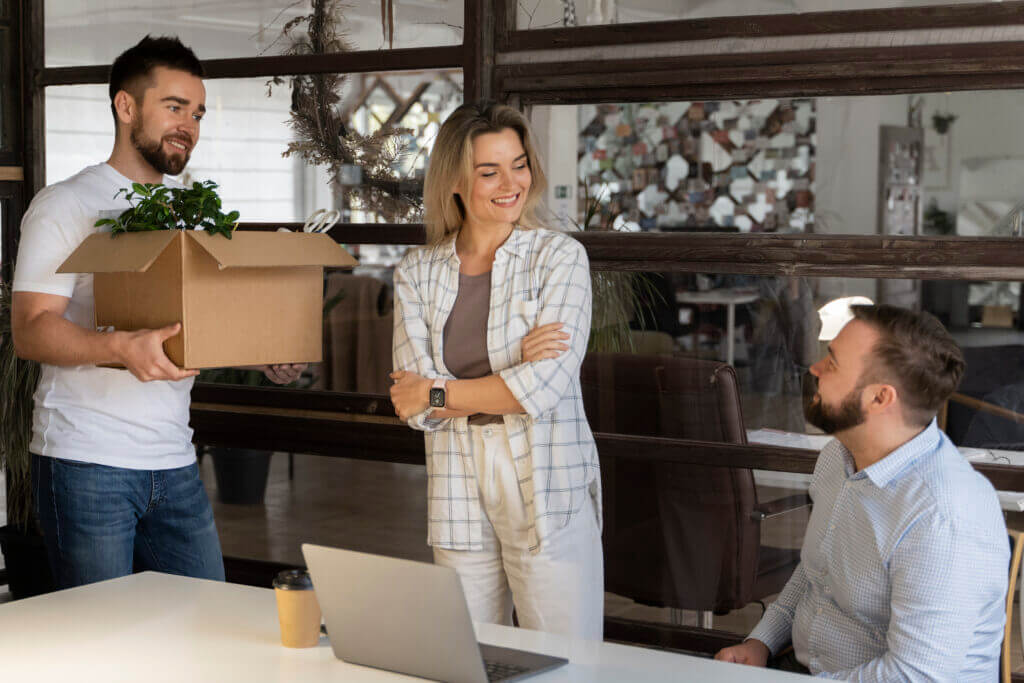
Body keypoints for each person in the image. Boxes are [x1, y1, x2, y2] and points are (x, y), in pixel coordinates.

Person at [11, 35, 303, 589]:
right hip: (85, 461)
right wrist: (121, 348)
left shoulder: (183, 211)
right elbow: (30, 331)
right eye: (174, 107)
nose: (188, 125)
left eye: (196, 112)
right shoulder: (66, 204)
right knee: (102, 647)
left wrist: (261, 353)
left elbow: (189, 320)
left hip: (174, 460)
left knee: (203, 627)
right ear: (126, 108)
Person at [389, 101, 603, 639]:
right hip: (457, 475)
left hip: (548, 477)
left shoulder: (559, 258)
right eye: (489, 171)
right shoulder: (417, 272)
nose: (511, 183)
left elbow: (544, 388)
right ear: (456, 181)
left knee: (564, 662)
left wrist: (438, 393)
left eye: (519, 164)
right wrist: (509, 375)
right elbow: (409, 405)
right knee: (467, 653)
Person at [715, 304, 1008, 680]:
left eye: (833, 362)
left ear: (880, 399)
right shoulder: (839, 456)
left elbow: (916, 675)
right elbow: (815, 573)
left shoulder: (942, 516)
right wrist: (760, 643)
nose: (815, 370)